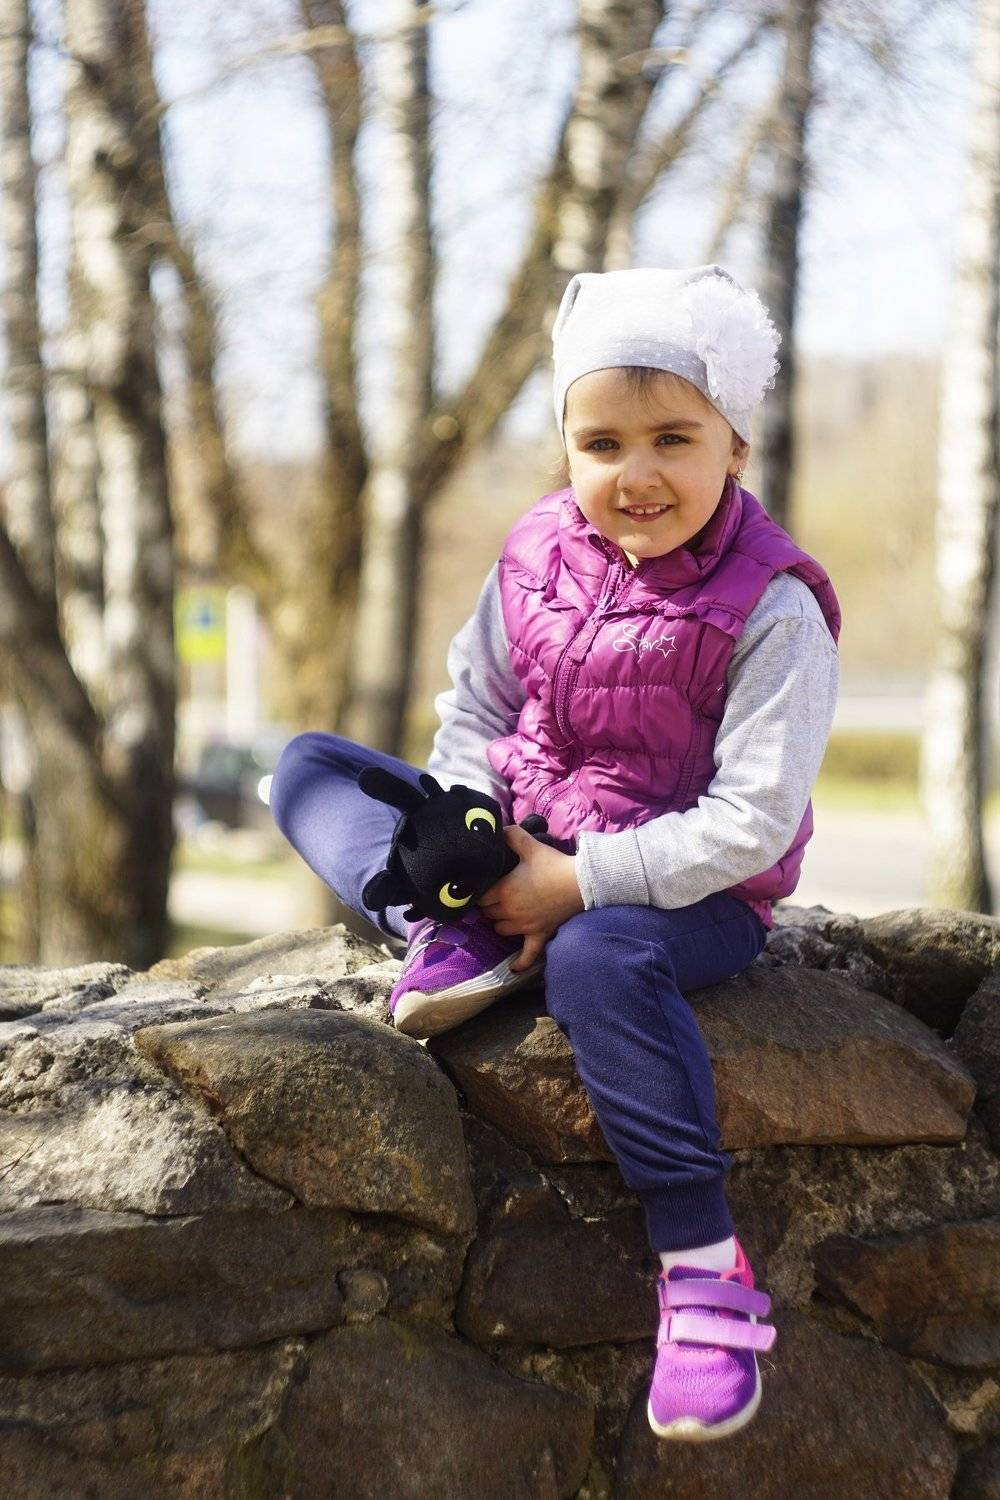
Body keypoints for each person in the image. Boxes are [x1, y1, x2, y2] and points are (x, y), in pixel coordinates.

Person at [269, 264, 841, 1443]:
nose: (636, 475)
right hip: (523, 844)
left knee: (594, 960)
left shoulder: (771, 606)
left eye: (673, 440)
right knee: (311, 766)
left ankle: (703, 1269)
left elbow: (751, 821)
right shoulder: (535, 551)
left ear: (735, 444)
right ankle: (458, 920)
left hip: (680, 891)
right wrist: (467, 825)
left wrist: (576, 885)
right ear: (567, 447)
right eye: (601, 443)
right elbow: (475, 708)